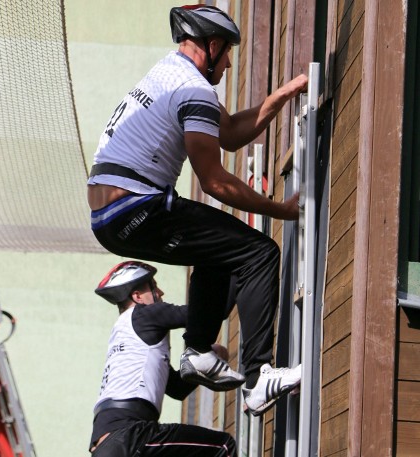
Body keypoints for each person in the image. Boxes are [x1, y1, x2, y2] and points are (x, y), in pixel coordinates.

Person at [87, 5, 305, 415]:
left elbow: (229, 135)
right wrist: (281, 210)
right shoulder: (195, 90)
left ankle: (199, 352)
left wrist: (281, 97)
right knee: (259, 253)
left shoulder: (169, 73)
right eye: (226, 56)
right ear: (213, 45)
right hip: (134, 205)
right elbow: (216, 182)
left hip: (113, 213)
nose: (226, 66)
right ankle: (258, 379)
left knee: (216, 251)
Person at [89, 261, 237, 456]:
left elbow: (177, 389)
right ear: (138, 296)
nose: (160, 292)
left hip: (106, 446)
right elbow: (206, 313)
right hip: (130, 436)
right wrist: (240, 269)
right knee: (223, 446)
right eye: (153, 286)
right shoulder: (144, 314)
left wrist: (207, 356)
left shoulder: (130, 340)